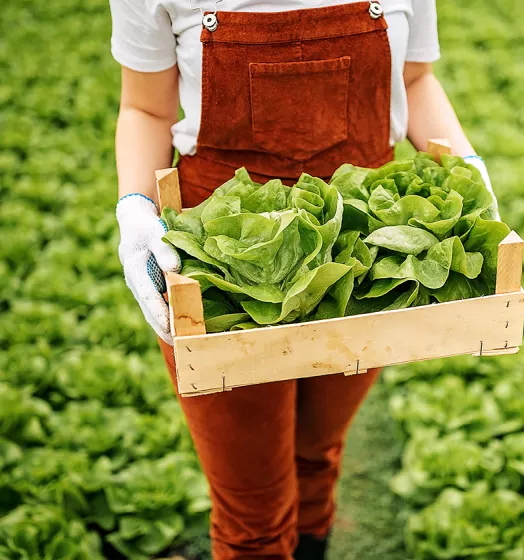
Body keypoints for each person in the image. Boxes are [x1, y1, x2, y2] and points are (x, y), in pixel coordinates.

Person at [110, 1, 497, 558]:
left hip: (363, 259)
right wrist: (135, 207)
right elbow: (145, 109)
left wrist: (466, 163)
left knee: (318, 453)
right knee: (253, 513)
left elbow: (415, 79)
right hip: (226, 269)